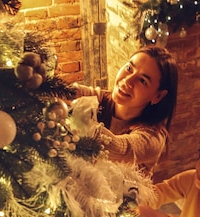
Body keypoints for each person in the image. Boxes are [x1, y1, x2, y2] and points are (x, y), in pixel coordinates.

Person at [73, 46, 178, 175]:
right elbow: (67, 91)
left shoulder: (153, 138)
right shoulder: (101, 99)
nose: (127, 80)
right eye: (129, 68)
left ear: (157, 96)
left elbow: (120, 148)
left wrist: (73, 117)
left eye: (142, 81)